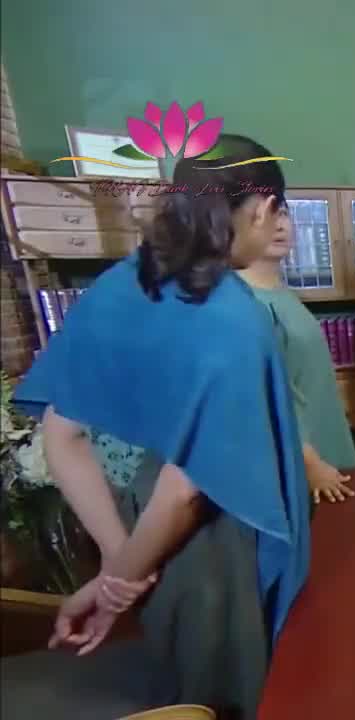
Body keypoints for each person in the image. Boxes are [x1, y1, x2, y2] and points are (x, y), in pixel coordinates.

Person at [7, 135, 309, 718]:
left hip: (138, 526)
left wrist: (120, 561)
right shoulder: (231, 319)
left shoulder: (123, 283)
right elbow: (186, 490)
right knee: (222, 693)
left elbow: (62, 435)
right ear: (263, 209)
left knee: (176, 673)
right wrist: (119, 584)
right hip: (208, 541)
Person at [240, 202, 355, 504]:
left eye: (282, 213)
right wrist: (309, 464)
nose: (278, 225)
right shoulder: (245, 302)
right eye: (263, 216)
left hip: (324, 439)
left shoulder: (282, 292)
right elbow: (265, 397)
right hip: (302, 463)